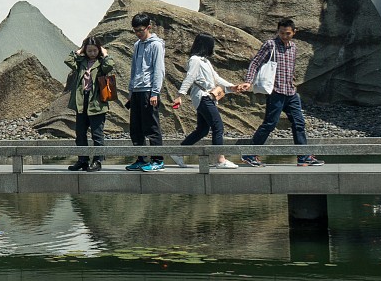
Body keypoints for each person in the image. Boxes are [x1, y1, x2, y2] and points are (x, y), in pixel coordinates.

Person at [243, 18, 321, 167]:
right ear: (278, 31)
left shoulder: (293, 47)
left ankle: (303, 156)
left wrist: (292, 81)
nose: (284, 36)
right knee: (270, 123)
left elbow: (289, 68)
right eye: (281, 33)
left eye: (288, 33)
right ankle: (249, 154)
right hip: (276, 91)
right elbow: (255, 62)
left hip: (291, 93)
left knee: (299, 123)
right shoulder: (270, 45)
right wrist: (249, 80)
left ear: (294, 32)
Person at [177, 34, 243, 168]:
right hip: (202, 96)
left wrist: (232, 87)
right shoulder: (195, 60)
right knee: (218, 126)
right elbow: (189, 78)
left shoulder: (205, 61)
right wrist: (180, 94)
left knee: (202, 130)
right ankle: (220, 160)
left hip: (207, 96)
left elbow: (216, 78)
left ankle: (178, 152)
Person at [64, 36, 118, 171]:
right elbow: (68, 60)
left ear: (99, 50)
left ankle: (97, 161)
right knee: (80, 133)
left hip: (97, 102)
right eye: (89, 51)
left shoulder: (101, 63)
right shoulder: (81, 62)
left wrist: (105, 54)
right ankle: (82, 160)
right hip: (82, 101)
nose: (92, 53)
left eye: (95, 50)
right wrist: (80, 50)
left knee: (97, 134)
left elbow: (110, 65)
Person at [124, 13, 166, 172]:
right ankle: (141, 159)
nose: (138, 33)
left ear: (149, 27)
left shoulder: (156, 45)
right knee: (136, 128)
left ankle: (158, 160)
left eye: (140, 30)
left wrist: (155, 92)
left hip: (149, 90)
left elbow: (159, 70)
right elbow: (134, 69)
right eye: (135, 31)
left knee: (152, 127)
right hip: (137, 90)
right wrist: (131, 90)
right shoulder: (137, 45)